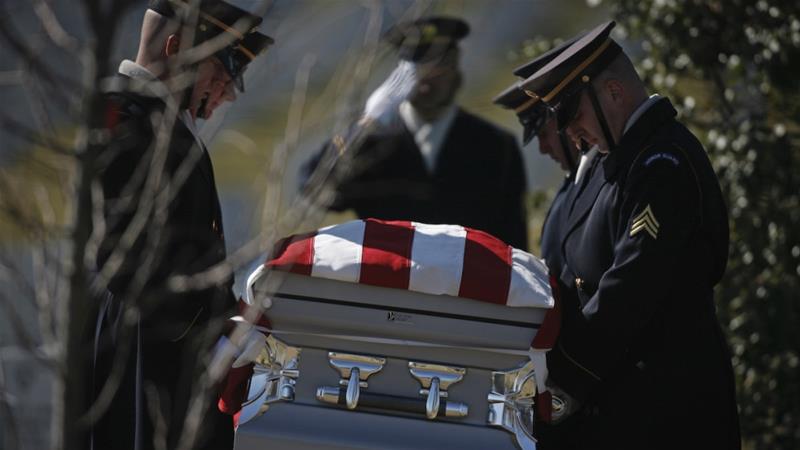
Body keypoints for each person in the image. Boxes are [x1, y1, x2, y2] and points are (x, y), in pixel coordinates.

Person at [517, 21, 741, 449]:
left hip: (671, 408)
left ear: (614, 93)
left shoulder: (662, 164)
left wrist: (561, 380)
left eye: (573, 115)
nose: (570, 133)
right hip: (624, 402)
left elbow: (631, 285)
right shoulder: (621, 162)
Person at [89, 1, 272, 449]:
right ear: (176, 49)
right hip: (142, 360)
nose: (227, 93)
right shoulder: (122, 121)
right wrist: (211, 335)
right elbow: (128, 263)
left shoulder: (163, 124)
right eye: (221, 73)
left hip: (172, 356)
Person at [306, 16, 529, 250]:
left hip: (467, 281)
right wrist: (364, 127)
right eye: (418, 67)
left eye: (439, 65)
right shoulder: (372, 142)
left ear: (455, 68)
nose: (427, 80)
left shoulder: (494, 145)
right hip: (386, 278)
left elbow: (513, 240)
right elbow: (316, 189)